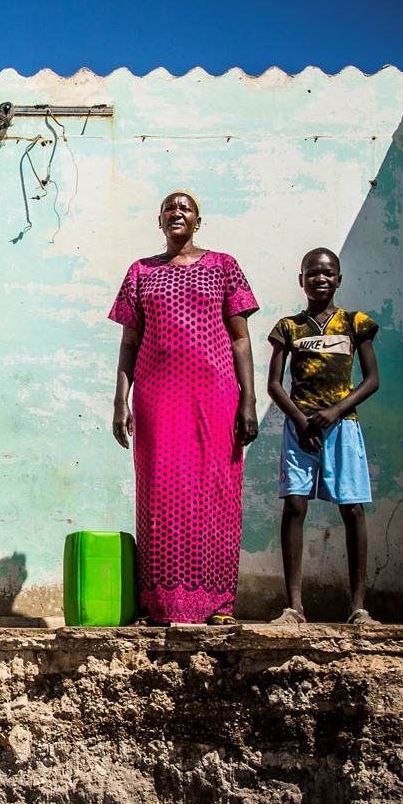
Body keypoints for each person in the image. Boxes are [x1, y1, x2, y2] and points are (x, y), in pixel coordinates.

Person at [108, 191, 261, 625]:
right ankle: (157, 606)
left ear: (198, 221)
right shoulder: (141, 272)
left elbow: (240, 338)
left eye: (186, 208)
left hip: (216, 397)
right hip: (157, 398)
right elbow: (129, 342)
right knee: (160, 492)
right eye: (169, 209)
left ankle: (219, 606)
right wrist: (121, 400)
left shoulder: (223, 266)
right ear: (159, 222)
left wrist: (247, 400)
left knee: (217, 492)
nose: (178, 212)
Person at [265, 247, 381, 624]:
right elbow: (275, 385)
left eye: (328, 273)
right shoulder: (288, 327)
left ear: (339, 279)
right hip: (300, 430)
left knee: (352, 507)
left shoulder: (355, 323)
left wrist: (333, 412)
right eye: (312, 272)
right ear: (301, 280)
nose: (320, 278)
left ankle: (358, 607)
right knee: (295, 505)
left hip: (342, 427)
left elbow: (372, 380)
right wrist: (300, 421)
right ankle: (294, 606)